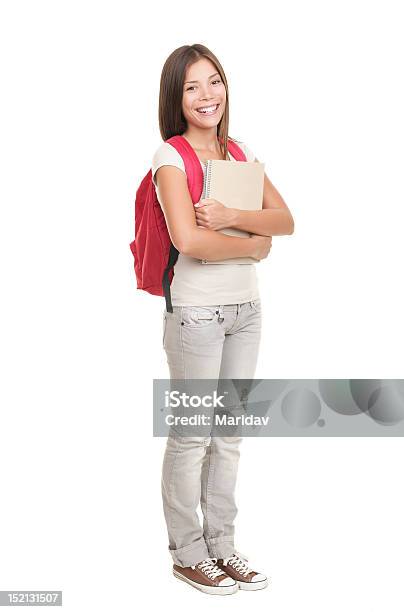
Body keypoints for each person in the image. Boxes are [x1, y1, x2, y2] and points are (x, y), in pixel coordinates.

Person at [151, 43, 294, 595]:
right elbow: (188, 240)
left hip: (246, 312)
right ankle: (187, 552)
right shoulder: (170, 157)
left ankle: (223, 547)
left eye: (214, 81)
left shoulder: (240, 152)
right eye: (192, 87)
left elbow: (284, 221)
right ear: (177, 97)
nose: (207, 95)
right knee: (191, 437)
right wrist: (252, 243)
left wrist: (237, 219)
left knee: (229, 435)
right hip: (196, 315)